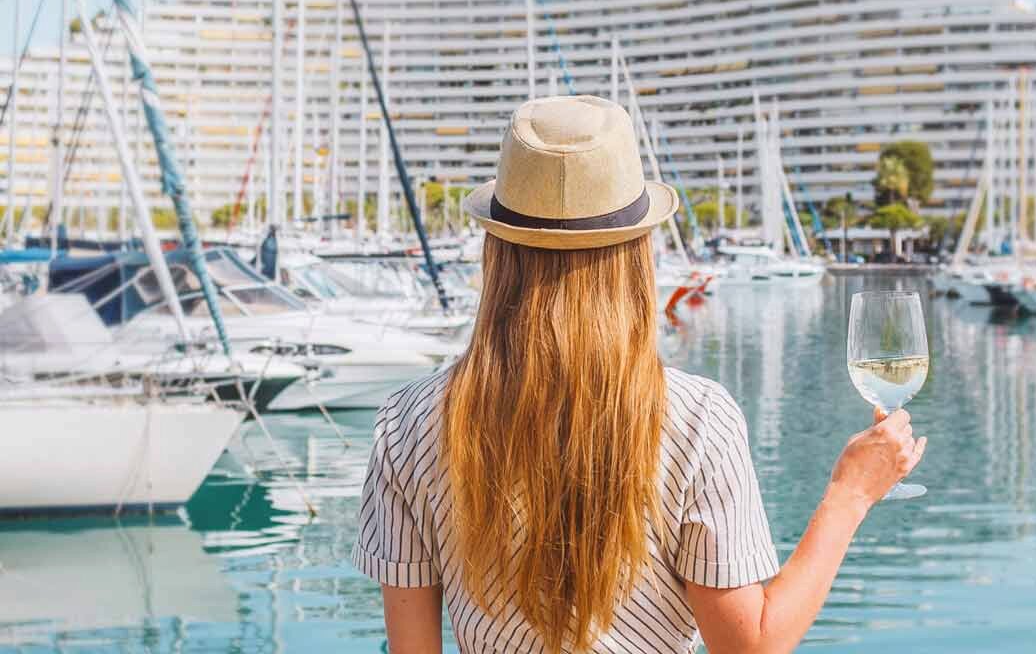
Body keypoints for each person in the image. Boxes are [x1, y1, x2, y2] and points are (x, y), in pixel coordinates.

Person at [354, 95, 927, 653]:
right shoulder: (698, 421)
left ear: (497, 251)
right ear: (636, 254)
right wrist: (850, 494)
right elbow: (751, 645)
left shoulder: (404, 425)